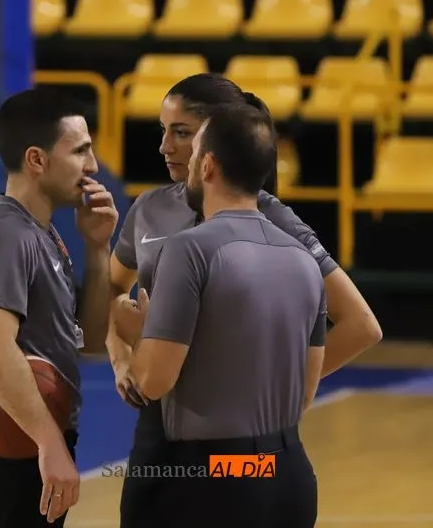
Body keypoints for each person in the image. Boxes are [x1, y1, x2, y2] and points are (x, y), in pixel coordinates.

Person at [106, 74, 382, 528]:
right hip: (220, 450)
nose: (165, 146)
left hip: (210, 448)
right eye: (163, 130)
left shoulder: (262, 222)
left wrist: (254, 387)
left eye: (182, 133)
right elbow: (113, 293)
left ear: (211, 148)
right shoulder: (151, 209)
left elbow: (361, 325)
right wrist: (120, 357)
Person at [0, 87, 119, 528]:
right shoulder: (11, 237)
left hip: (27, 451)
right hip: (8, 463)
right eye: (80, 151)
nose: (93, 166)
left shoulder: (41, 233)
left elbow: (92, 340)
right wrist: (49, 443)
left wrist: (98, 248)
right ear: (37, 160)